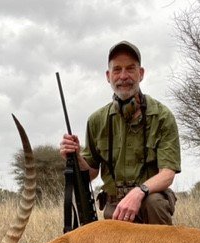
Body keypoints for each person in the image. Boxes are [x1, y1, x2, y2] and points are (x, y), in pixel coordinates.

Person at [60, 41, 181, 225]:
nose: (123, 76)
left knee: (154, 202)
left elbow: (167, 174)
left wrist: (138, 193)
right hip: (115, 209)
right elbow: (90, 173)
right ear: (108, 76)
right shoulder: (96, 120)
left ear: (141, 74)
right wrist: (75, 156)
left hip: (150, 204)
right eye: (117, 70)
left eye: (130, 69)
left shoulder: (162, 116)